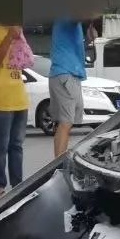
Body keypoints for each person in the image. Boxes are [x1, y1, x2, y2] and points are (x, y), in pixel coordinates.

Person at [0, 17, 29, 197]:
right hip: (1, 98)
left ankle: (18, 185)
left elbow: (24, 60)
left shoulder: (17, 28)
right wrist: (10, 35)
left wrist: (18, 35)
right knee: (1, 145)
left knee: (17, 145)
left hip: (20, 97)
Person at [48, 17, 88, 159]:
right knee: (65, 123)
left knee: (66, 123)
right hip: (65, 73)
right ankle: (58, 166)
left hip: (69, 74)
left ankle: (58, 163)